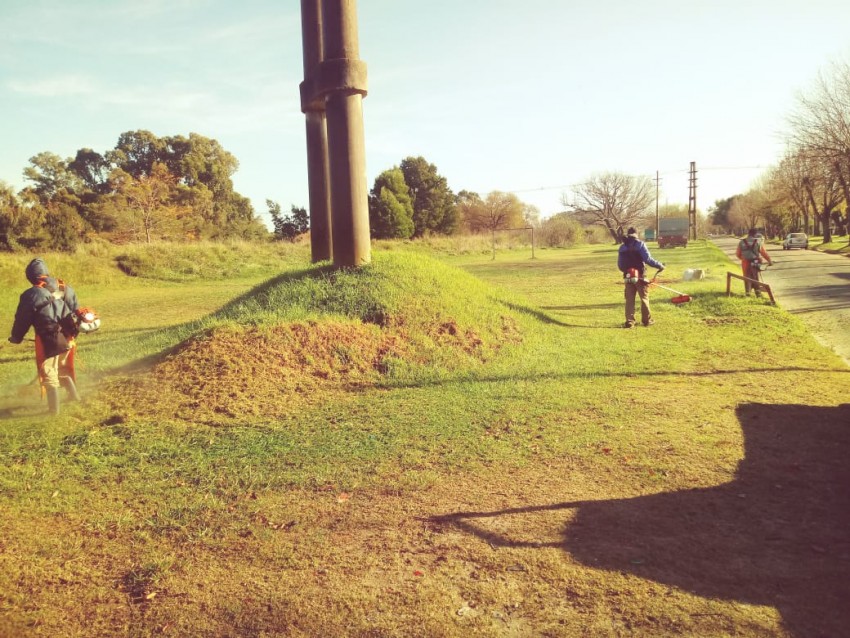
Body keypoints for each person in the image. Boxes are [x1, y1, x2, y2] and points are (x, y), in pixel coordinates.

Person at [8, 258, 81, 415]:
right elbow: (76, 312)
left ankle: (53, 411)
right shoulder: (65, 288)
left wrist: (16, 337)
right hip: (68, 337)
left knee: (48, 372)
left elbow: (22, 319)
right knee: (62, 368)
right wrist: (73, 334)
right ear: (46, 272)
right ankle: (74, 397)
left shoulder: (31, 294)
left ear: (30, 277)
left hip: (49, 338)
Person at [618, 227, 664, 328]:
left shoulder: (622, 247)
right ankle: (646, 320)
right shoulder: (640, 244)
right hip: (641, 276)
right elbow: (648, 259)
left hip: (628, 276)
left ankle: (629, 321)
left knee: (629, 299)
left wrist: (628, 271)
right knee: (644, 297)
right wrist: (660, 265)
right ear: (636, 234)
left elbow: (620, 266)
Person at [736, 228, 773, 295]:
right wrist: (769, 261)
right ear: (755, 234)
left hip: (745, 263)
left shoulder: (741, 242)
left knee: (746, 277)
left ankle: (748, 292)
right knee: (755, 277)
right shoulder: (757, 242)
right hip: (755, 263)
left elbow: (738, 254)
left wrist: (743, 259)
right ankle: (758, 293)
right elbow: (763, 253)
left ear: (748, 234)